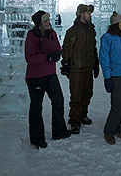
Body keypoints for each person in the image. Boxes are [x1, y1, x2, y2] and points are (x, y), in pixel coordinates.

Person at [25, 10, 71, 149]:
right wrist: (47, 57)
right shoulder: (32, 37)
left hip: (50, 74)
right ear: (39, 23)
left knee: (58, 100)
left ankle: (59, 132)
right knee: (36, 107)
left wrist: (58, 52)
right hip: (36, 76)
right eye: (45, 21)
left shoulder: (52, 33)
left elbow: (57, 46)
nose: (48, 23)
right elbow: (30, 58)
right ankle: (37, 138)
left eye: (48, 20)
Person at [60, 4, 99, 134]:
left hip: (88, 67)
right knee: (76, 96)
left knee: (87, 94)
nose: (90, 15)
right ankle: (75, 121)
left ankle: (83, 115)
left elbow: (93, 47)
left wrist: (96, 63)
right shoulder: (73, 31)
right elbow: (66, 48)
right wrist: (66, 63)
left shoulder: (91, 30)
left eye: (90, 13)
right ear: (81, 14)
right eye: (88, 13)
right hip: (76, 68)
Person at [99, 12, 121, 145]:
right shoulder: (107, 38)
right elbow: (104, 59)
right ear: (115, 24)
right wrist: (107, 78)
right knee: (118, 104)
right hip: (115, 76)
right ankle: (109, 131)